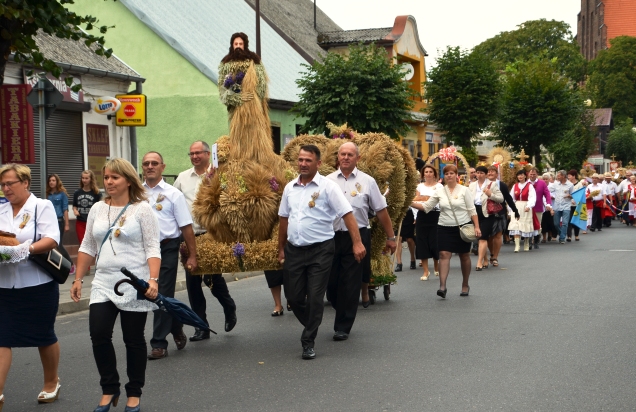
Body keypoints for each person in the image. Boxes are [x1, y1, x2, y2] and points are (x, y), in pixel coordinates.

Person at [70, 158, 160, 412]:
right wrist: (78, 278)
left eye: (114, 178)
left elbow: (153, 247)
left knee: (133, 339)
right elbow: (88, 246)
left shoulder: (142, 209)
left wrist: (152, 279)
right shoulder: (98, 208)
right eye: (106, 177)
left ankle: (134, 392)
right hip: (103, 282)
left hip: (133, 283)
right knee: (99, 334)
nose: (108, 182)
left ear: (128, 180)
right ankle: (110, 388)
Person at [278, 145, 365, 359]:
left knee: (316, 296)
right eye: (300, 160)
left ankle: (308, 340)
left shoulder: (328, 187)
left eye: (308, 160)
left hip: (321, 250)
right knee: (294, 297)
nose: (303, 164)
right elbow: (283, 219)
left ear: (318, 163)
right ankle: (312, 321)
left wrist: (357, 243)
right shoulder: (289, 188)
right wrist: (280, 248)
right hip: (295, 250)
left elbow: (347, 214)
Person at [0, 164, 62, 408]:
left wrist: (23, 250)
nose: (6, 189)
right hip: (4, 285)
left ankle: (51, 382)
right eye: (3, 184)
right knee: (2, 337)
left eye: (10, 183)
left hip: (37, 283)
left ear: (25, 183)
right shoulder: (1, 208)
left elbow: (52, 239)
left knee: (43, 335)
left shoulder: (41, 206)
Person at [326, 142, 396, 340]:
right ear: (338, 157)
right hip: (331, 236)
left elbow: (381, 211)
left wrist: (390, 237)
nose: (346, 157)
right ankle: (338, 306)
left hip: (357, 237)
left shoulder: (368, 181)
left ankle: (343, 326)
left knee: (350, 282)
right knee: (331, 283)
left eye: (350, 154)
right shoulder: (327, 181)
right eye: (342, 154)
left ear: (358, 158)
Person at [173, 141, 237, 340]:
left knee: (212, 279)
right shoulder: (182, 178)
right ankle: (201, 326)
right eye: (191, 153)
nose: (194, 157)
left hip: (212, 234)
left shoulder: (218, 174)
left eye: (198, 153)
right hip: (189, 235)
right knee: (193, 283)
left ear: (208, 154)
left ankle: (229, 306)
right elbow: (173, 201)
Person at [142, 152, 198, 360]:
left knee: (160, 293)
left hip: (166, 248)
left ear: (163, 167)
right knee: (149, 294)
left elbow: (186, 226)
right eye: (146, 163)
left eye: (154, 163)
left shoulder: (174, 194)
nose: (150, 166)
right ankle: (175, 326)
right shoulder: (135, 193)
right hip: (142, 251)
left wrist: (192, 255)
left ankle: (159, 343)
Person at [413, 164, 480, 298]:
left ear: (457, 175)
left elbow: (471, 210)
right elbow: (427, 207)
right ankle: (442, 286)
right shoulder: (440, 191)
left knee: (464, 255)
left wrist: (477, 226)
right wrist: (408, 203)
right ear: (444, 176)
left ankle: (465, 284)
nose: (449, 176)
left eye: (451, 173)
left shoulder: (464, 190)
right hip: (444, 226)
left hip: (462, 226)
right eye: (447, 173)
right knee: (444, 254)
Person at [469, 166, 503, 270]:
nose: (479, 175)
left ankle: (479, 262)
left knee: (483, 237)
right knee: (479, 237)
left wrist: (490, 194)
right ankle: (486, 259)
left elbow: (501, 198)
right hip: (475, 212)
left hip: (487, 213)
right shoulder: (472, 185)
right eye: (477, 173)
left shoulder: (492, 184)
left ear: (486, 174)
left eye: (481, 173)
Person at [412, 165, 443, 280]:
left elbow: (439, 201)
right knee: (421, 242)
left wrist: (425, 198)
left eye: (431, 172)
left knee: (435, 241)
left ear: (434, 174)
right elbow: (415, 200)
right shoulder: (419, 186)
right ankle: (425, 271)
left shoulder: (439, 186)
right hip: (422, 215)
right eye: (426, 172)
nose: (428, 174)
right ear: (423, 174)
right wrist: (416, 215)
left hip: (435, 215)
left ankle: (436, 265)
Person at [486, 166, 519, 266]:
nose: (490, 173)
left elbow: (508, 199)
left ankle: (495, 257)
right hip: (487, 213)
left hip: (500, 213)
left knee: (498, 235)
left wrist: (515, 211)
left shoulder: (502, 185)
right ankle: (491, 253)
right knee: (489, 237)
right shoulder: (483, 184)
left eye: (493, 172)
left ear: (497, 174)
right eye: (489, 172)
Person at [46, 173, 74, 273]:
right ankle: (58, 265)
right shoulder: (48, 194)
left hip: (59, 221)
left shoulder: (62, 194)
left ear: (57, 182)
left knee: (58, 244)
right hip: (50, 222)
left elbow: (65, 209)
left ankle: (70, 265)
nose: (51, 182)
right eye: (50, 181)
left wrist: (67, 224)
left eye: (53, 180)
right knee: (51, 244)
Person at [508, 169, 536, 252]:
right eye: (518, 175)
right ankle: (517, 246)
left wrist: (529, 205)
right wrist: (510, 209)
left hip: (525, 207)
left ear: (525, 176)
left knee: (525, 225)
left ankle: (526, 243)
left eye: (522, 175)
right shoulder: (515, 186)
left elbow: (532, 197)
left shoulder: (529, 185)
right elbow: (511, 198)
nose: (520, 176)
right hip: (516, 207)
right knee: (516, 225)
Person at [73, 170, 102, 245]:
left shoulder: (96, 193)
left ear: (91, 179)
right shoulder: (77, 193)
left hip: (92, 222)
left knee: (93, 244)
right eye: (83, 178)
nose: (84, 180)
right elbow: (74, 205)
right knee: (82, 243)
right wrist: (75, 210)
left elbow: (100, 207)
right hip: (80, 222)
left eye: (86, 178)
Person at [528, 167, 552, 249]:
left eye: (534, 174)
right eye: (531, 174)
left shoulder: (542, 183)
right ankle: (530, 241)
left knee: (537, 225)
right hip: (527, 208)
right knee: (529, 224)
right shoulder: (526, 183)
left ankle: (536, 240)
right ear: (528, 174)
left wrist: (548, 204)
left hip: (538, 207)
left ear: (537, 175)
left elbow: (547, 194)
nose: (532, 175)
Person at [549, 170, 574, 244]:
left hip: (566, 206)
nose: (557, 177)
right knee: (556, 223)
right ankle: (561, 233)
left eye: (559, 175)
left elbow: (574, 195)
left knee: (565, 223)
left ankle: (562, 238)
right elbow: (548, 189)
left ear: (563, 176)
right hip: (557, 206)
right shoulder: (555, 184)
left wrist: (570, 196)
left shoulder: (570, 185)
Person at [566, 170, 585, 242]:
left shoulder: (579, 185)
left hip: (577, 205)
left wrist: (576, 199)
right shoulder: (567, 184)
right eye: (568, 176)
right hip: (568, 205)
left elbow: (581, 195)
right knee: (569, 220)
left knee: (576, 220)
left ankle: (576, 235)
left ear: (574, 176)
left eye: (570, 176)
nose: (568, 177)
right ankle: (569, 236)